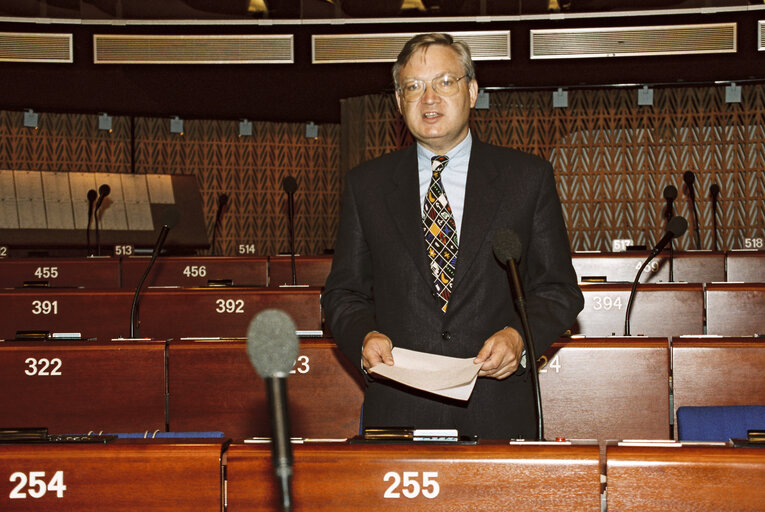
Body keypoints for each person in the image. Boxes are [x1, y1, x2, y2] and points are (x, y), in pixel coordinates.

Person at [321, 33, 583, 440]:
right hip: (398, 408)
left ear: (472, 90)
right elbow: (343, 293)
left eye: (445, 82)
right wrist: (363, 337)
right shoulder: (366, 186)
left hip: (497, 408)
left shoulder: (526, 179)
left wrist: (519, 338)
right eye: (413, 87)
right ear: (398, 101)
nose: (429, 99)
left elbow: (558, 290)